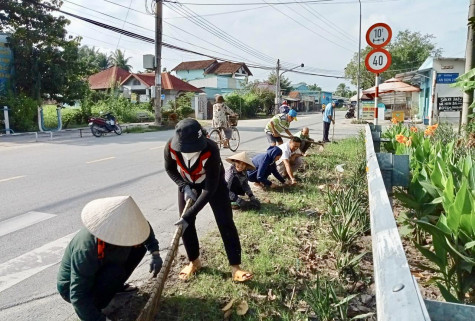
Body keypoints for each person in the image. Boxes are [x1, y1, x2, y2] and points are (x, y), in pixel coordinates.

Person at [164, 118, 252, 282]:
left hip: (213, 185)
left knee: (225, 221)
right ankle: (194, 262)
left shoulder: (210, 149)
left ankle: (236, 267)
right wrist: (184, 186)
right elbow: (169, 168)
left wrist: (189, 214)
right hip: (187, 183)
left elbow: (209, 189)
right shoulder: (170, 146)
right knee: (186, 226)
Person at [57, 196, 163, 321]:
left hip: (102, 267)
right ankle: (99, 302)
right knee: (115, 272)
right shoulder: (86, 249)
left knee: (139, 246)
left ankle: (114, 287)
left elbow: (145, 230)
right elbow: (78, 295)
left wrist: (155, 253)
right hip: (71, 289)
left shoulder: (130, 225)